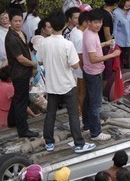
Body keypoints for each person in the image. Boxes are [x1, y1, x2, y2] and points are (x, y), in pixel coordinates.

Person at [37, 10, 96, 154]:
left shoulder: (44, 43)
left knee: (50, 114)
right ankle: (79, 144)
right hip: (67, 84)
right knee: (73, 115)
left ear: (51, 25)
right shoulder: (67, 44)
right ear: (64, 25)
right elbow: (75, 65)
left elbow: (39, 61)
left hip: (51, 85)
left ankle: (49, 142)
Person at [82, 9, 120, 142]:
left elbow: (95, 48)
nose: (98, 25)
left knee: (89, 100)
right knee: (95, 105)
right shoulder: (90, 36)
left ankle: (87, 125)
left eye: (100, 22)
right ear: (88, 22)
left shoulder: (89, 32)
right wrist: (112, 55)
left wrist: (105, 43)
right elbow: (93, 59)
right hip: (94, 73)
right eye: (95, 22)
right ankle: (96, 133)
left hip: (90, 71)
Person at [5, 8, 39, 138]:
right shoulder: (11, 38)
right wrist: (33, 64)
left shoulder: (21, 33)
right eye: (15, 21)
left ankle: (12, 121)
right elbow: (20, 58)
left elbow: (27, 50)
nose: (18, 23)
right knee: (21, 102)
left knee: (19, 98)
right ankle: (23, 130)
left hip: (25, 71)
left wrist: (32, 63)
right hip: (19, 73)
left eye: (20, 21)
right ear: (10, 21)